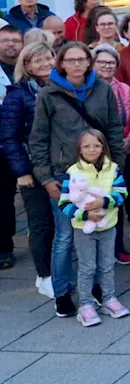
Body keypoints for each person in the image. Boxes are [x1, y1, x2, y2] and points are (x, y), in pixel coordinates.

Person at [27, 41, 126, 317]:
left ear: (88, 62)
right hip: (64, 172)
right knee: (66, 235)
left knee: (99, 229)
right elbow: (38, 139)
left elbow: (114, 128)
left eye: (81, 59)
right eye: (70, 60)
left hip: (100, 171)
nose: (76, 65)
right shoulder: (48, 94)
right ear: (61, 64)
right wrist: (45, 177)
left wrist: (117, 166)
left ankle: (96, 288)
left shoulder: (103, 89)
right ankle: (62, 292)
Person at [58, 128, 129, 325]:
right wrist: (85, 214)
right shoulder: (72, 172)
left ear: (103, 148)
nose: (92, 150)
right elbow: (64, 203)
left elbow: (122, 193)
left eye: (96, 146)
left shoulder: (113, 169)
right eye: (87, 146)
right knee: (87, 267)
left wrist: (104, 202)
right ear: (79, 149)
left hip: (108, 226)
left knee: (107, 265)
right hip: (83, 229)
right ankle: (86, 304)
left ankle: (108, 298)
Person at [1, 42, 56, 290]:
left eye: (48, 58)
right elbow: (9, 137)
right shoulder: (18, 94)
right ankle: (44, 275)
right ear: (27, 65)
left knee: (62, 224)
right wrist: (21, 172)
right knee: (40, 223)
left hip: (62, 166)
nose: (45, 63)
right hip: (33, 168)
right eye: (38, 60)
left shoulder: (62, 88)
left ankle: (61, 270)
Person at [91, 44, 130, 265]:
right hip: (94, 153)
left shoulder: (124, 89)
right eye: (102, 62)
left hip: (119, 151)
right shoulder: (88, 89)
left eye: (111, 63)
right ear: (93, 64)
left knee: (115, 200)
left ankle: (117, 248)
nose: (107, 66)